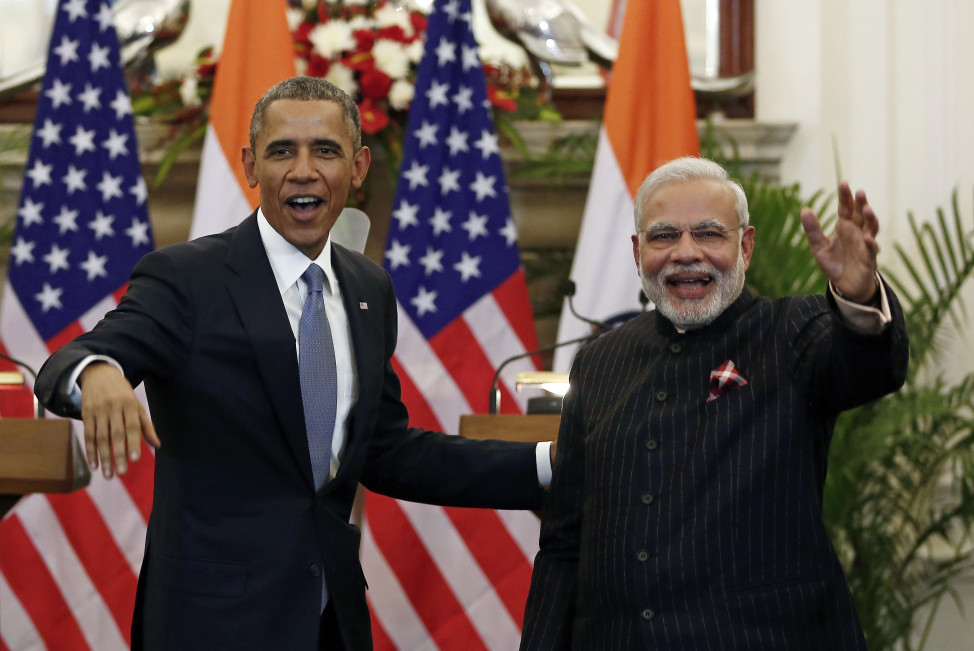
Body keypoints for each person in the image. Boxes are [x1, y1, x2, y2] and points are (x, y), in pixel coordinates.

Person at [34, 76, 552, 651]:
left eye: (324, 151)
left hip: (330, 619)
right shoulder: (187, 277)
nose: (303, 170)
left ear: (357, 168)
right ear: (251, 166)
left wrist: (548, 465)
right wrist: (98, 372)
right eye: (283, 151)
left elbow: (386, 450)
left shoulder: (367, 287)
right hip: (211, 625)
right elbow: (75, 358)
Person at [519, 157, 909, 650]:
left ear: (744, 246)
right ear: (638, 253)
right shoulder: (600, 360)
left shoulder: (792, 333)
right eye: (663, 237)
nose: (686, 253)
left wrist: (859, 298)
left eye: (709, 233)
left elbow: (871, 367)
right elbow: (563, 540)